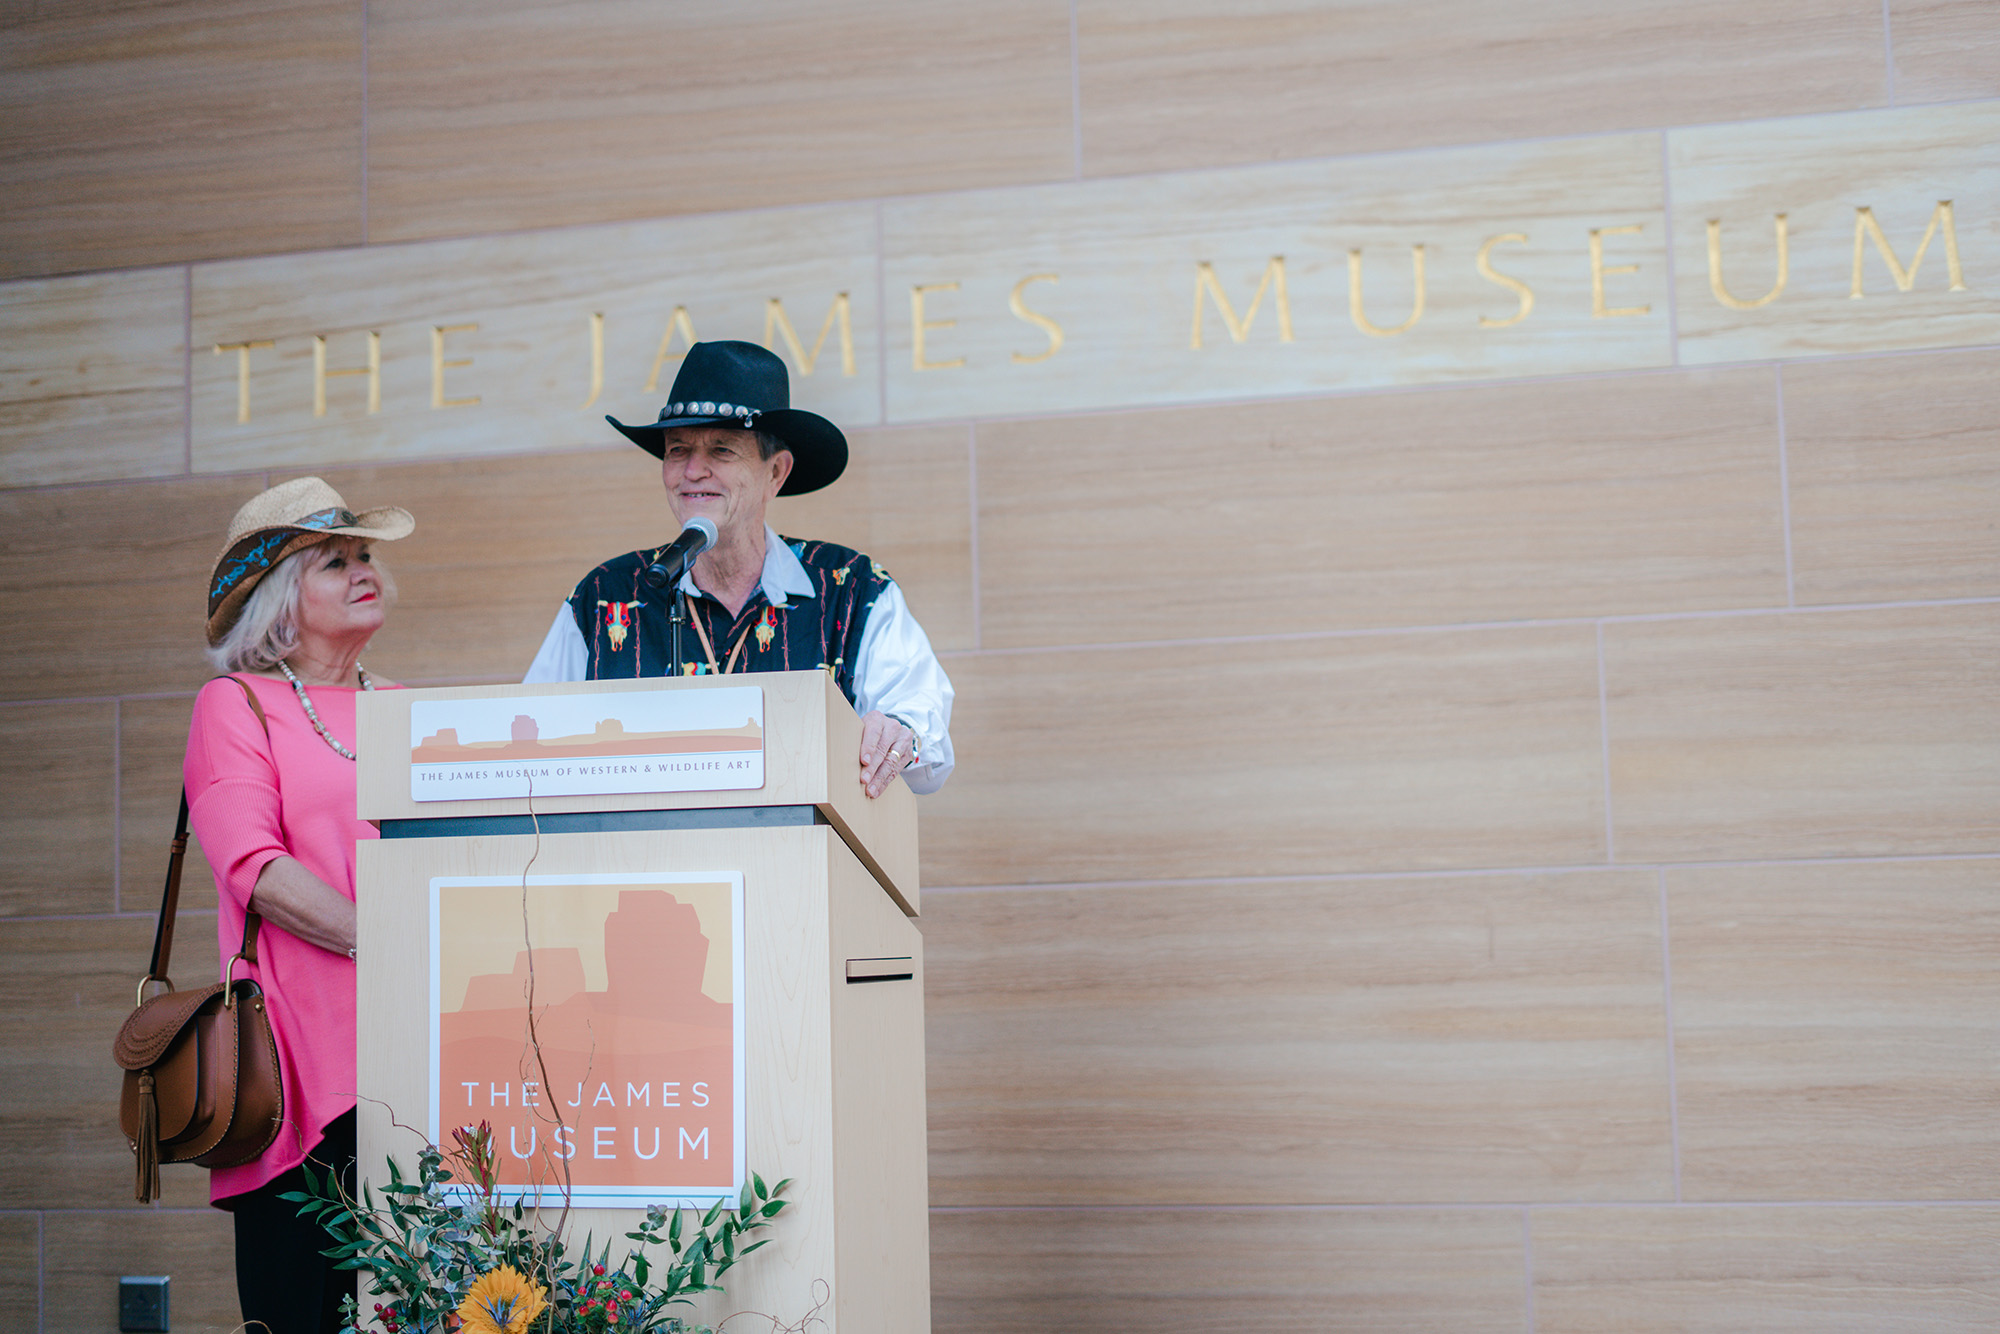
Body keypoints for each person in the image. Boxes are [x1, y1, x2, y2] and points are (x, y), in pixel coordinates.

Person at [183, 476, 415, 1334]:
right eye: (335, 561)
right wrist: (392, 941)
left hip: (417, 1053)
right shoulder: (236, 704)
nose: (364, 571)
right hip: (295, 1070)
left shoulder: (408, 709)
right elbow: (255, 868)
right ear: (283, 601)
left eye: (365, 556)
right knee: (306, 1314)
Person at [525, 339, 954, 796]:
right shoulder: (603, 597)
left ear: (776, 472)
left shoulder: (852, 589)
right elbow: (525, 744)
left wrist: (897, 733)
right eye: (677, 450)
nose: (693, 470)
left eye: (722, 450)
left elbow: (923, 740)